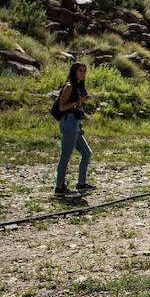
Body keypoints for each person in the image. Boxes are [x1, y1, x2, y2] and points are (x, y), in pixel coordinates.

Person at [54, 62, 95, 197]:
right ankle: (60, 187)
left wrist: (80, 126)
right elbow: (62, 107)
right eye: (80, 71)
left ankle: (81, 184)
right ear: (74, 72)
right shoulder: (69, 87)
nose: (83, 73)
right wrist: (80, 101)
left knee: (87, 153)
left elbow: (77, 109)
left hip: (75, 123)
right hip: (68, 123)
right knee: (66, 155)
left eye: (84, 71)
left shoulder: (78, 87)